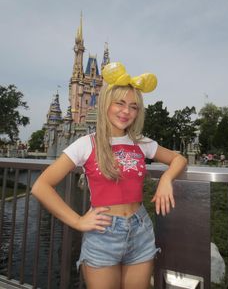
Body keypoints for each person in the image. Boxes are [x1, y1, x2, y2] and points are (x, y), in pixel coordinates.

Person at [31, 62, 187, 289]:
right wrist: (77, 221)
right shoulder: (87, 143)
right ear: (105, 104)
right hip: (104, 232)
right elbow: (41, 186)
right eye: (120, 103)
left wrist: (166, 179)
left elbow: (179, 159)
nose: (126, 111)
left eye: (133, 106)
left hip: (141, 228)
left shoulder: (140, 143)